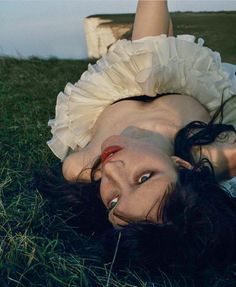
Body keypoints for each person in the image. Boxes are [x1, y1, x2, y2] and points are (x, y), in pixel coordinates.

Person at [44, 0, 236, 273]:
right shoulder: (204, 155)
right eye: (144, 177)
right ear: (181, 165)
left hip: (125, 85)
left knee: (148, 35)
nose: (112, 170)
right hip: (182, 83)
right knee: (159, 44)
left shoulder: (81, 167)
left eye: (113, 201)